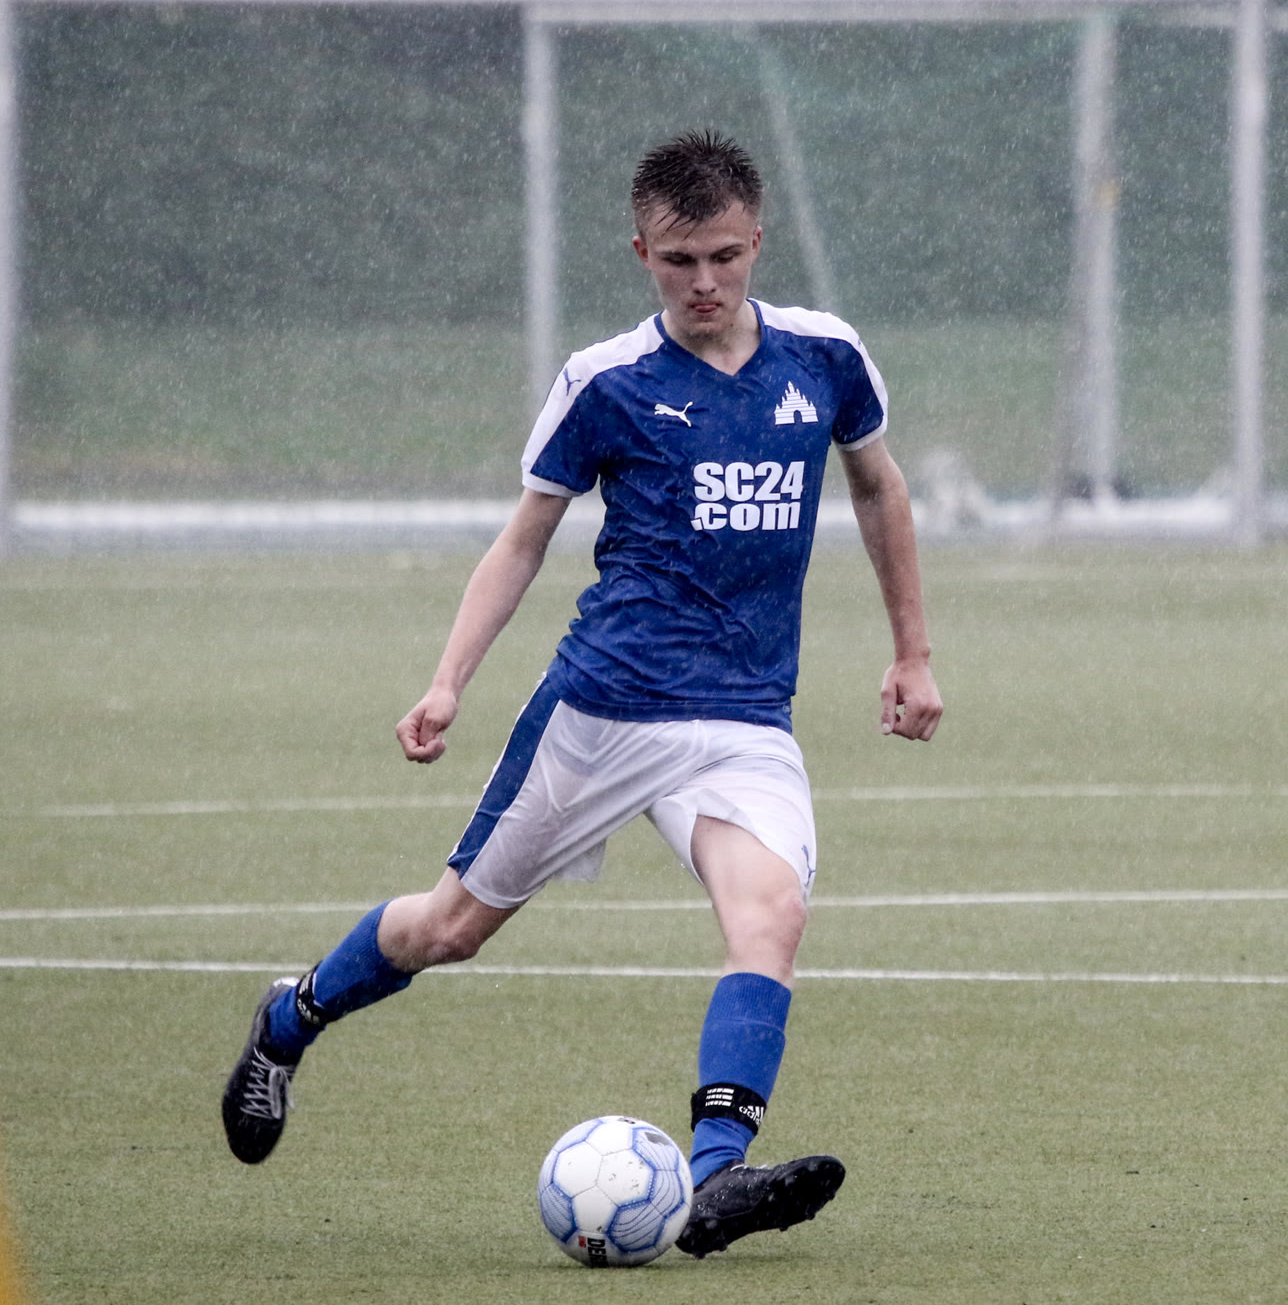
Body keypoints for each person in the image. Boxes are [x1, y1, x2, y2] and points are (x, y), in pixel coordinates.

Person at [219, 130, 943, 1259]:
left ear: (756, 242)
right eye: (678, 262)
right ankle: (290, 1013)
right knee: (449, 929)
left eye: (723, 257)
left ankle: (715, 1174)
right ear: (641, 253)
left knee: (770, 918)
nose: (703, 284)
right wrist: (448, 681)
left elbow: (880, 489)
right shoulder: (606, 382)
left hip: (743, 719)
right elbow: (523, 540)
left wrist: (912, 652)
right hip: (601, 712)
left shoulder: (825, 358)